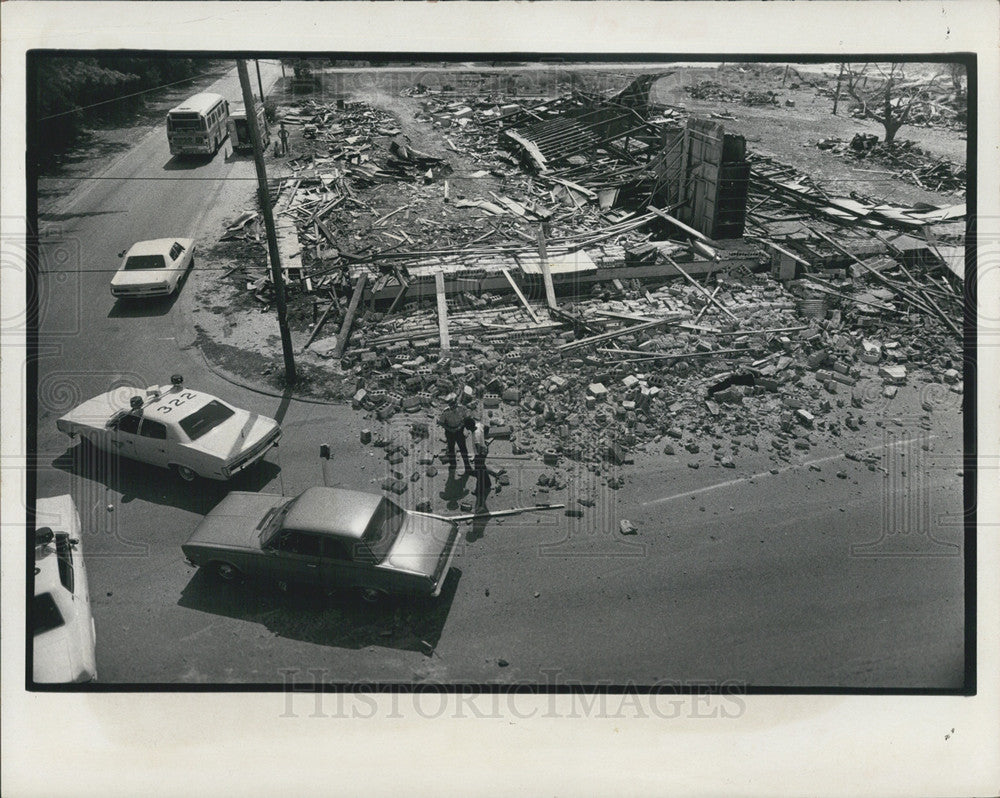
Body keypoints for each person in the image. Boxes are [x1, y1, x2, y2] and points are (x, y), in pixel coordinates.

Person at [438, 397, 472, 473]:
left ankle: (467, 466)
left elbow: (466, 418)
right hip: (450, 432)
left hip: (459, 431)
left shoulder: (461, 408)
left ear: (456, 402)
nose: (453, 406)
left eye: (454, 404)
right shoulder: (446, 412)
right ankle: (453, 464)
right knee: (451, 449)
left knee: (463, 449)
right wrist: (450, 429)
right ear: (449, 404)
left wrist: (460, 426)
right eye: (451, 405)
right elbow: (441, 423)